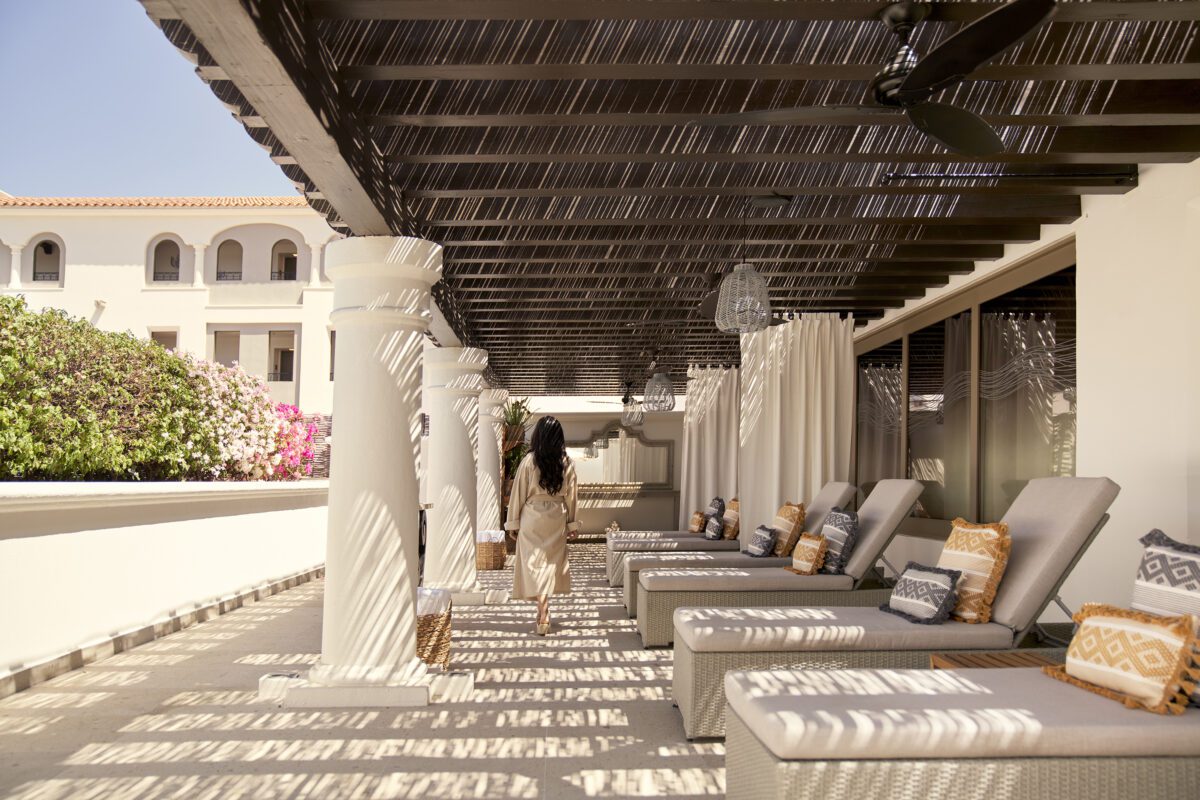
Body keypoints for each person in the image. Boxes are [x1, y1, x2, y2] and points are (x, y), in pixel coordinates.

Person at [504, 415, 578, 635]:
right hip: (556, 517)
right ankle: (544, 609)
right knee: (550, 564)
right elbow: (573, 496)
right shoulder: (567, 463)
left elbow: (518, 492)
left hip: (532, 517)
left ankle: (542, 610)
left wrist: (513, 524)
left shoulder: (529, 461)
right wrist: (572, 524)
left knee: (534, 564)